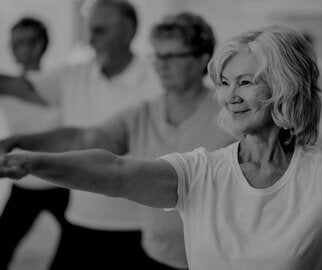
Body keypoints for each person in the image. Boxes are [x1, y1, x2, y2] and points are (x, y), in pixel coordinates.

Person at [2, 25, 322, 270]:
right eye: (225, 83)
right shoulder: (200, 171)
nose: (231, 96)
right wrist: (33, 161)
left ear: (286, 87)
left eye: (246, 82)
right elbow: (116, 171)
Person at [0, 12, 234, 269]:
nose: (161, 64)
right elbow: (86, 138)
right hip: (157, 254)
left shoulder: (231, 113)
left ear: (202, 58)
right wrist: (20, 143)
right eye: (157, 55)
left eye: (172, 56)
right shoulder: (142, 114)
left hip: (216, 259)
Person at [2, 0, 162, 269]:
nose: (91, 40)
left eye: (100, 31)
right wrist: (15, 142)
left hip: (137, 226)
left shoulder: (156, 81)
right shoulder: (73, 75)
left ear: (127, 32)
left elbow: (89, 140)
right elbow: (19, 86)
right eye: (90, 30)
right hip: (82, 220)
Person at [0, 17, 66, 270]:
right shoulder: (7, 86)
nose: (13, 48)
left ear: (38, 46)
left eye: (21, 42)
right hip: (25, 182)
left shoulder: (59, 83)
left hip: (61, 181)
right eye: (12, 42)